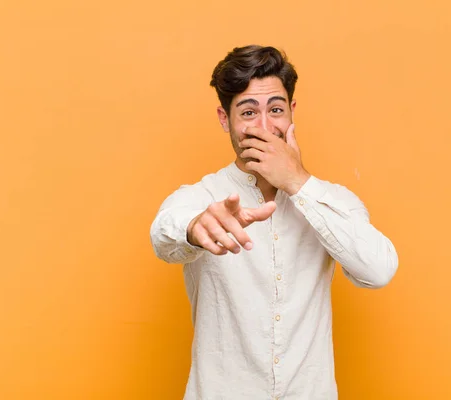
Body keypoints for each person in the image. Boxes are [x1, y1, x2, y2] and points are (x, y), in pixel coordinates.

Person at [150, 45, 398, 400]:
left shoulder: (333, 200)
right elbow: (163, 234)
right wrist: (195, 228)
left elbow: (378, 271)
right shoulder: (200, 197)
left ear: (291, 112)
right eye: (248, 112)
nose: (265, 127)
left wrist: (297, 183)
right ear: (225, 119)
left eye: (276, 110)